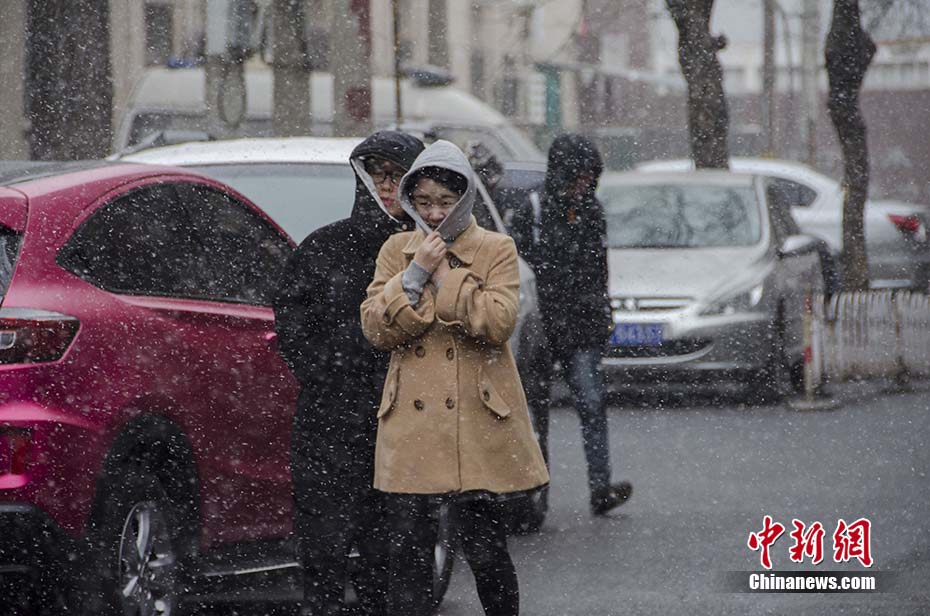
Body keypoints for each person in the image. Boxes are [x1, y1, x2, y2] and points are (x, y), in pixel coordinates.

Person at [361, 140, 549, 616]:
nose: (435, 213)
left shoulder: (495, 248)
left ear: (464, 198)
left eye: (445, 202)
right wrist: (415, 273)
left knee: (486, 550)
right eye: (423, 202)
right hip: (412, 422)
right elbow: (376, 328)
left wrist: (446, 279)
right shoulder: (396, 249)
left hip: (474, 416)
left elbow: (497, 322)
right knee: (408, 553)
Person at [273, 130, 425, 616]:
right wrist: (330, 375)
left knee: (397, 554)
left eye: (397, 175)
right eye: (376, 173)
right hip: (330, 422)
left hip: (406, 422)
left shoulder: (431, 250)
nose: (385, 184)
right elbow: (292, 323)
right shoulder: (323, 248)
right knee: (323, 551)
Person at [509, 133, 633, 516]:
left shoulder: (592, 210)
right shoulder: (532, 207)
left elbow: (598, 269)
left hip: (582, 324)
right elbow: (522, 265)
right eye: (577, 177)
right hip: (541, 324)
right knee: (536, 413)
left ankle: (600, 487)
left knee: (592, 404)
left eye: (588, 178)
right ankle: (536, 492)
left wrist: (602, 312)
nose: (583, 185)